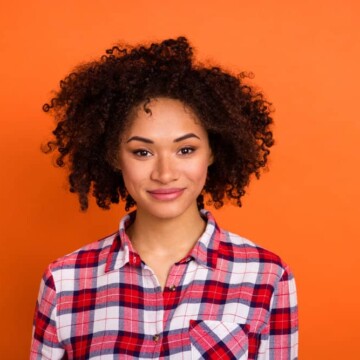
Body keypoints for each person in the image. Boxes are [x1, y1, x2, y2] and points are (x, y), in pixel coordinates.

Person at [31, 37, 298, 359]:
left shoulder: (266, 275)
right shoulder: (65, 281)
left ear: (213, 151)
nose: (165, 173)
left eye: (186, 150)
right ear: (114, 157)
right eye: (142, 152)